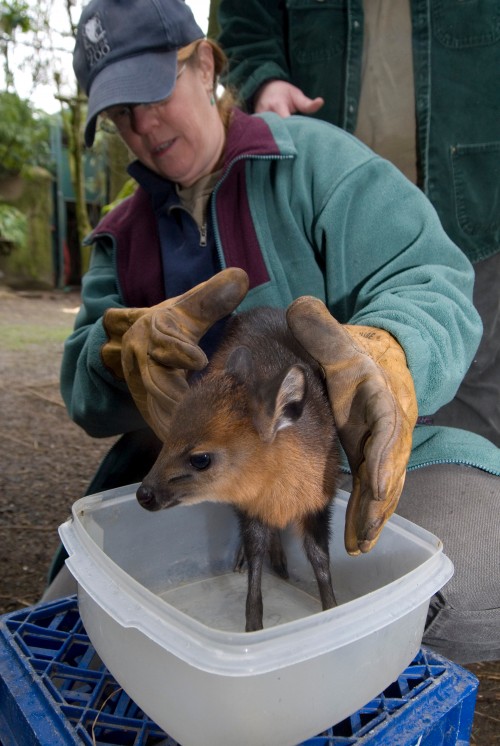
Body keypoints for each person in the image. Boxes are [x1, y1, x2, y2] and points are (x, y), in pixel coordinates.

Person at [48, 0, 500, 665]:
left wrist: (387, 353)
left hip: (345, 463)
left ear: (205, 66)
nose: (143, 125)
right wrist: (119, 357)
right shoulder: (121, 236)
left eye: (152, 93)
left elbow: (428, 274)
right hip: (205, 489)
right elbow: (81, 388)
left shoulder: (317, 162)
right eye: (120, 114)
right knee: (76, 627)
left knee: (462, 572)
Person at [216, 0, 500, 447]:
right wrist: (264, 79)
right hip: (328, 230)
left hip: (476, 215)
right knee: (327, 419)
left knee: (471, 411)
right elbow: (245, 21)